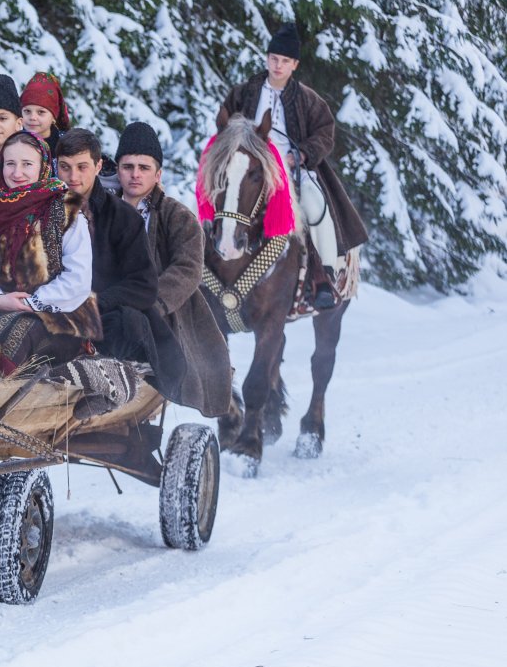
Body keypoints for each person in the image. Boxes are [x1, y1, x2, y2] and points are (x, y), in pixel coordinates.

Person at [220, 23, 368, 308]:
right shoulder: (244, 92)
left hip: (292, 172)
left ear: (295, 64)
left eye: (285, 61)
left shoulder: (308, 99)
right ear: (267, 58)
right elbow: (226, 125)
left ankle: (323, 276)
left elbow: (325, 133)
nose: (278, 65)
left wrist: (301, 155)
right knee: (218, 201)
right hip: (249, 170)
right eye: (274, 58)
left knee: (316, 208)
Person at [0, 131, 99, 376]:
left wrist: (30, 303)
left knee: (9, 336)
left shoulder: (66, 210)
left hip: (56, 313)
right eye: (10, 164)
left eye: (27, 164)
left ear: (43, 167)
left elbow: (77, 279)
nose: (17, 173)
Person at [114, 122, 233, 417]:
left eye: (144, 167)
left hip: (164, 312)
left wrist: (151, 302)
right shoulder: (102, 211)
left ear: (158, 173)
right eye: (128, 166)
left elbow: (188, 269)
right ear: (118, 170)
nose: (135, 174)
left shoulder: (176, 216)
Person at [55, 128, 186, 393]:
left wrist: (96, 302)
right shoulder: (45, 210)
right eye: (65, 167)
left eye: (82, 167)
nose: (73, 177)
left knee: (125, 325)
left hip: (103, 312)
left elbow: (143, 285)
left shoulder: (123, 217)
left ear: (98, 166)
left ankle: (111, 380)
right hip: (53, 306)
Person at [20, 71, 71, 157]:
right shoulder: (12, 143)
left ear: (54, 117)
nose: (32, 117)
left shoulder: (67, 146)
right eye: (27, 111)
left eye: (41, 112)